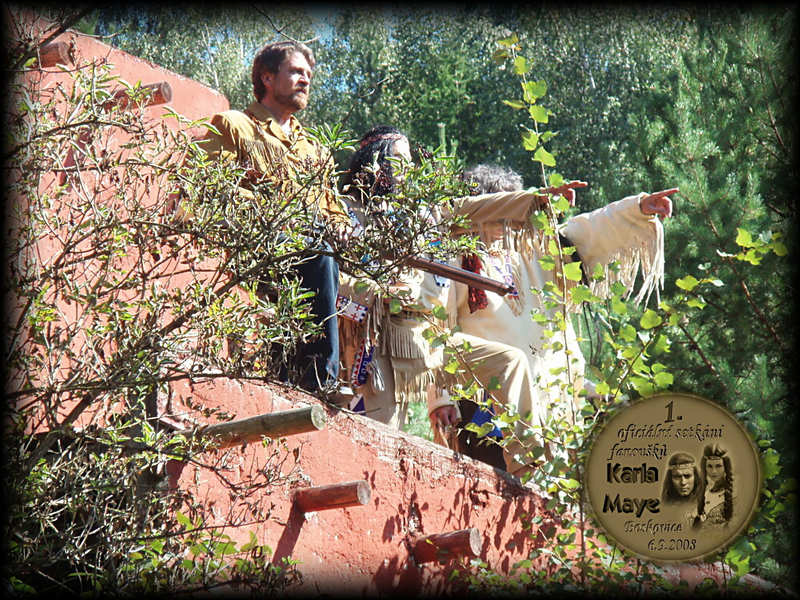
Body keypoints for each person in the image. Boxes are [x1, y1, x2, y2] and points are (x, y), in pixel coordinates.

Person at [443, 164, 673, 475]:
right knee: (494, 495)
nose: (505, 222)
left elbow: (587, 230)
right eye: (499, 208)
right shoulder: (452, 261)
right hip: (488, 406)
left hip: (553, 406)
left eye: (512, 210)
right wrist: (439, 400)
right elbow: (435, 331)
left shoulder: (533, 250)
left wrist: (636, 208)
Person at [196, 40, 350, 393]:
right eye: (296, 71)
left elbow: (333, 209)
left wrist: (342, 227)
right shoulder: (234, 125)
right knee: (319, 254)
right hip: (252, 246)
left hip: (304, 254)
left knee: (324, 255)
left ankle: (293, 374)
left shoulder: (315, 150)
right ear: (267, 77)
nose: (305, 80)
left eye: (309, 75)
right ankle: (320, 379)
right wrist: (273, 214)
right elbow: (207, 185)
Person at [337, 126, 459, 432]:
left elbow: (437, 281)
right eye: (398, 160)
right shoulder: (345, 209)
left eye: (409, 162)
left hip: (410, 336)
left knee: (394, 427)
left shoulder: (419, 217)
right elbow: (330, 275)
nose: (408, 170)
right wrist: (377, 294)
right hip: (365, 338)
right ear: (375, 163)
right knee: (379, 427)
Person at [694, 443, 735, 529]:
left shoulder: (735, 494)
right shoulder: (703, 491)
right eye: (709, 466)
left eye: (718, 466)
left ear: (726, 467)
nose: (714, 471)